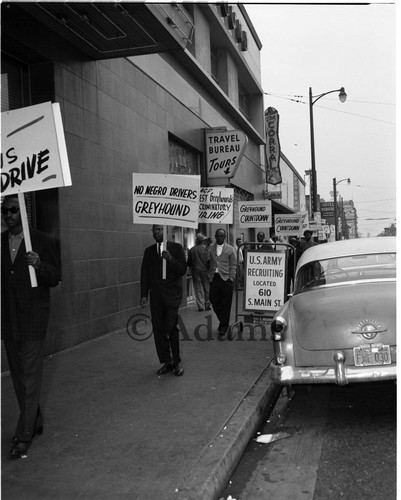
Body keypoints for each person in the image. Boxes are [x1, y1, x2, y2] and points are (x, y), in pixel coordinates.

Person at [1, 194, 61, 459]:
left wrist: (39, 265)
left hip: (34, 318)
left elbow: (56, 277)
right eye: (4, 211)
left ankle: (23, 434)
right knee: (17, 376)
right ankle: (34, 418)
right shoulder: (0, 242)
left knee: (29, 375)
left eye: (13, 210)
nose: (8, 215)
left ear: (22, 211)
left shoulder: (42, 240)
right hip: (9, 320)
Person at [140, 225, 187, 376]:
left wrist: (170, 260)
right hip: (156, 298)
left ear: (165, 231)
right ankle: (167, 362)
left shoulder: (176, 248)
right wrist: (144, 294)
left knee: (171, 327)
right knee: (159, 330)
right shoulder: (149, 251)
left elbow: (182, 270)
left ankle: (177, 361)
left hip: (172, 296)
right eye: (154, 230)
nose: (156, 232)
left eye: (159, 229)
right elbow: (145, 274)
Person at [209, 228, 236, 337]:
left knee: (226, 303)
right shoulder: (210, 248)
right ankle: (223, 321)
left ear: (225, 237)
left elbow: (234, 265)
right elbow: (207, 261)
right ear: (215, 237)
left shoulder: (230, 249)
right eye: (217, 236)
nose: (219, 238)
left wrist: (231, 278)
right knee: (214, 301)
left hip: (226, 279)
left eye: (221, 236)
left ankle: (223, 327)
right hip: (214, 278)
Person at [187, 233, 211, 311]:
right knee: (207, 288)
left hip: (195, 270)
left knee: (197, 288)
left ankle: (200, 305)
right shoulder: (206, 249)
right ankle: (207, 304)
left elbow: (189, 262)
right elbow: (209, 261)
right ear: (203, 241)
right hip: (205, 270)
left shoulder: (192, 249)